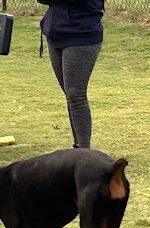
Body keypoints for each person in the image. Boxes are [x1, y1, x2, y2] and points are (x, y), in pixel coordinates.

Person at [38, 0, 104, 149]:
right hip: (55, 34)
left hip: (81, 36)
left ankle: (84, 152)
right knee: (70, 95)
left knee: (76, 95)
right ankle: (78, 146)